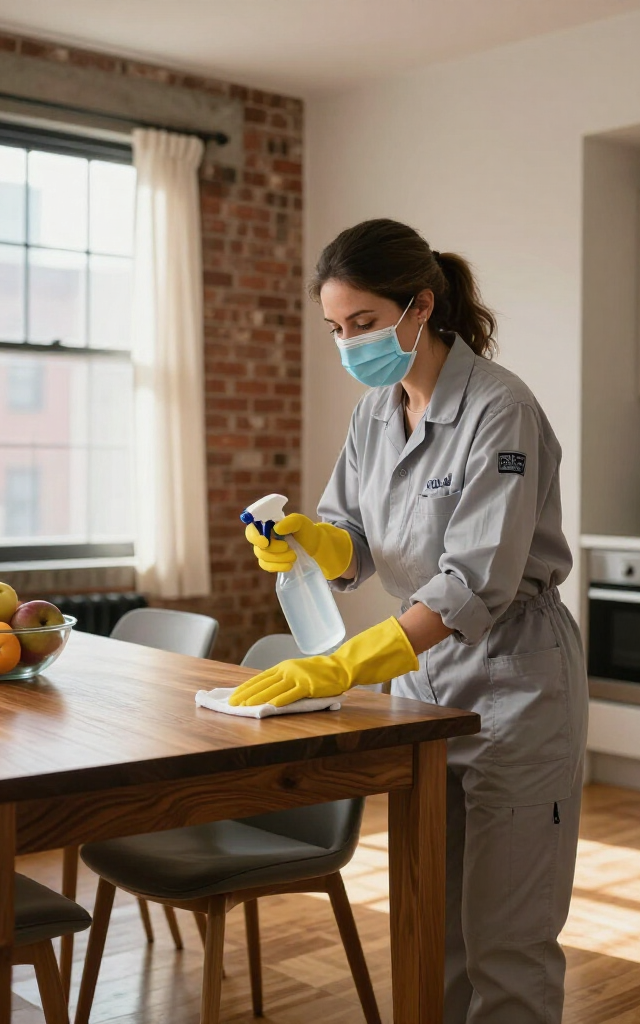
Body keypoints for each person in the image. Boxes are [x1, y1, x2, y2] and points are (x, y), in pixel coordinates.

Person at [230, 218, 588, 1024]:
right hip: (426, 689)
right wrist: (307, 541)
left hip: (516, 685)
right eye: (336, 329)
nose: (350, 343)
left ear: (419, 307)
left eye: (362, 323)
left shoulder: (502, 410)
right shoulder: (374, 413)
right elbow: (352, 539)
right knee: (434, 925)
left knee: (508, 937)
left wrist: (343, 666)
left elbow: (471, 586)